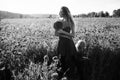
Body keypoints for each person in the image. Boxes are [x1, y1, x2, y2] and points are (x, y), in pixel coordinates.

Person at [54, 6, 78, 80]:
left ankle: (71, 77)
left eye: (61, 11)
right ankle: (61, 77)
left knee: (69, 61)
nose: (59, 13)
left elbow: (73, 35)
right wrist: (59, 32)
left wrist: (62, 32)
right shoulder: (59, 22)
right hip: (61, 43)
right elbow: (56, 34)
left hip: (68, 44)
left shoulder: (70, 21)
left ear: (64, 12)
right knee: (61, 61)